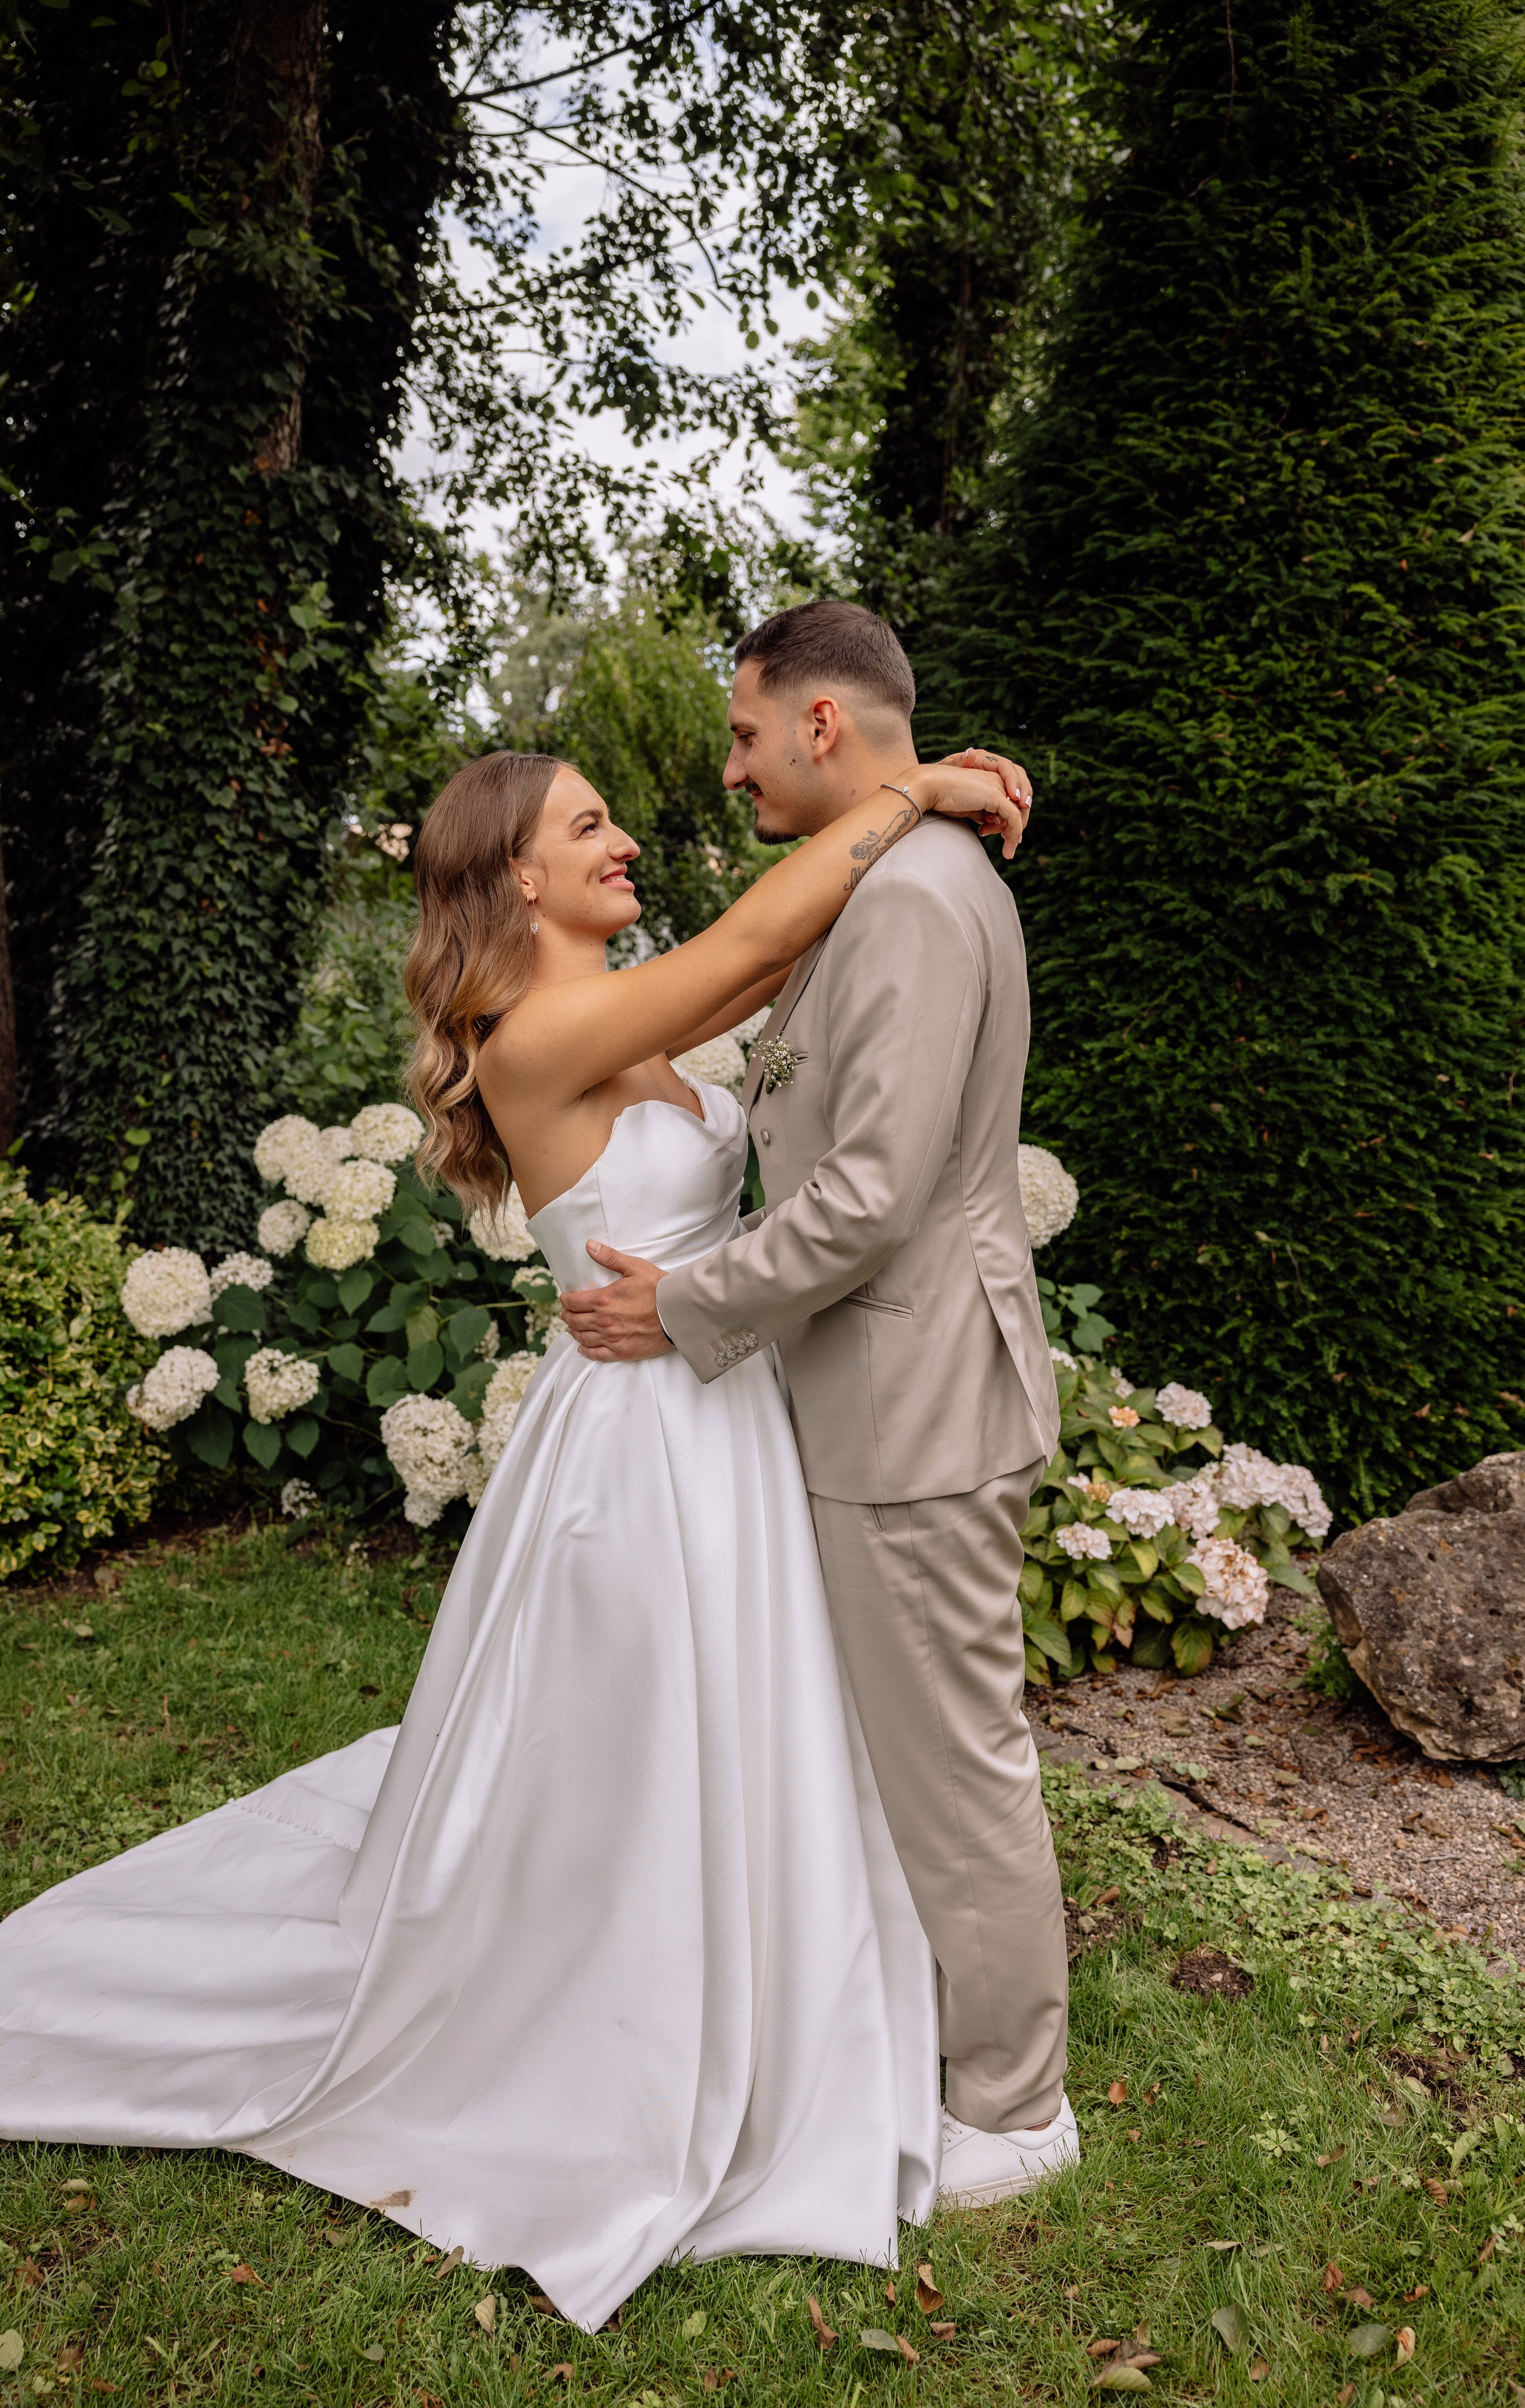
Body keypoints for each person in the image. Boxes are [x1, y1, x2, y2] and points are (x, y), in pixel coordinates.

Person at [0, 736, 1022, 2332]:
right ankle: (637, 2013)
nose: (630, 835)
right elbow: (749, 945)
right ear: (513, 870)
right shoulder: (536, 1031)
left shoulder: (619, 1004)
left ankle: (788, 1989)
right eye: (591, 824)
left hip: (717, 1402)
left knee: (753, 1714)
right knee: (653, 1735)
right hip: (643, 1439)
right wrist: (910, 792)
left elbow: (765, 968)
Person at [560, 599, 1077, 2207]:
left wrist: (687, 1303)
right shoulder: (891, 873)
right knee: (906, 1746)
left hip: (912, 1387)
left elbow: (866, 1194)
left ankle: (1013, 2101)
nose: (729, 766)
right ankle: (926, 2025)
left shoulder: (917, 901)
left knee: (952, 1755)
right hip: (883, 1377)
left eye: (740, 733)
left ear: (824, 726)